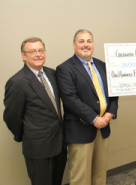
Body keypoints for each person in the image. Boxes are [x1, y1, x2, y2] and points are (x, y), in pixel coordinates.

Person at [56, 29, 119, 185]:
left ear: (93, 44)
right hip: (80, 129)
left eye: (89, 41)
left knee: (99, 174)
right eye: (81, 41)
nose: (86, 45)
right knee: (80, 177)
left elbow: (114, 92)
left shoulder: (102, 65)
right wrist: (94, 118)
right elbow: (70, 99)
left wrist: (110, 113)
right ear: (74, 45)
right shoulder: (65, 69)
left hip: (103, 127)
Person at [3, 37, 67, 185]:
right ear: (23, 56)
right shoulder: (17, 82)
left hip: (59, 145)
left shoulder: (52, 74)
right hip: (38, 149)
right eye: (32, 51)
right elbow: (11, 117)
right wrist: (26, 136)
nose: (38, 54)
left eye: (40, 50)